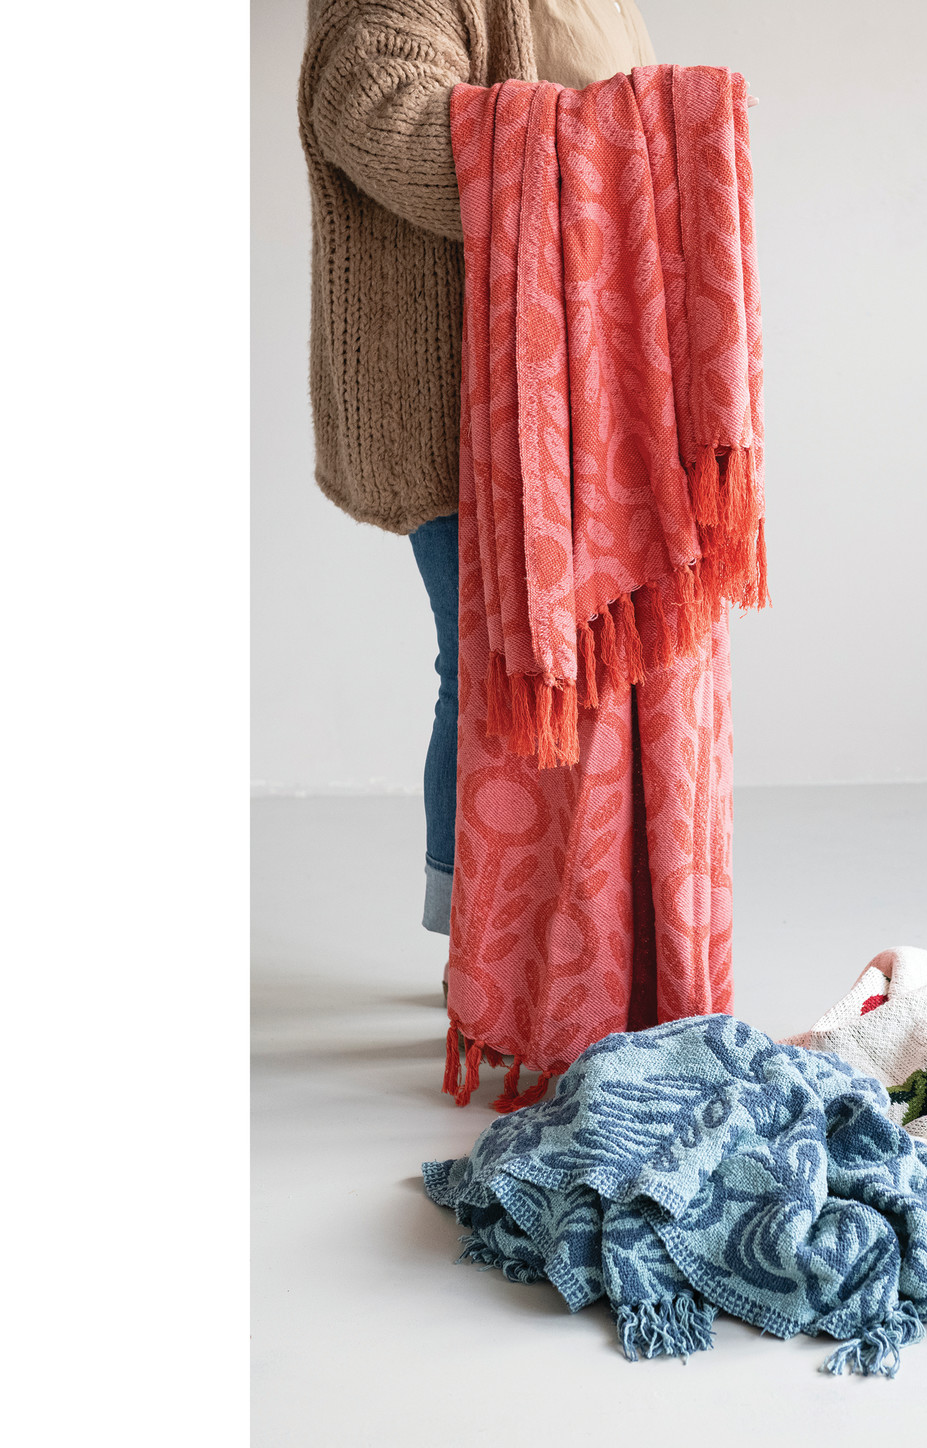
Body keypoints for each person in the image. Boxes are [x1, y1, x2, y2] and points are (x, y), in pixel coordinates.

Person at [298, 1, 658, 949]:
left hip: (586, 388)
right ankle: (486, 948)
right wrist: (585, 161)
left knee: (591, 677)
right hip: (471, 399)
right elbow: (372, 101)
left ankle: (568, 944)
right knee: (495, 677)